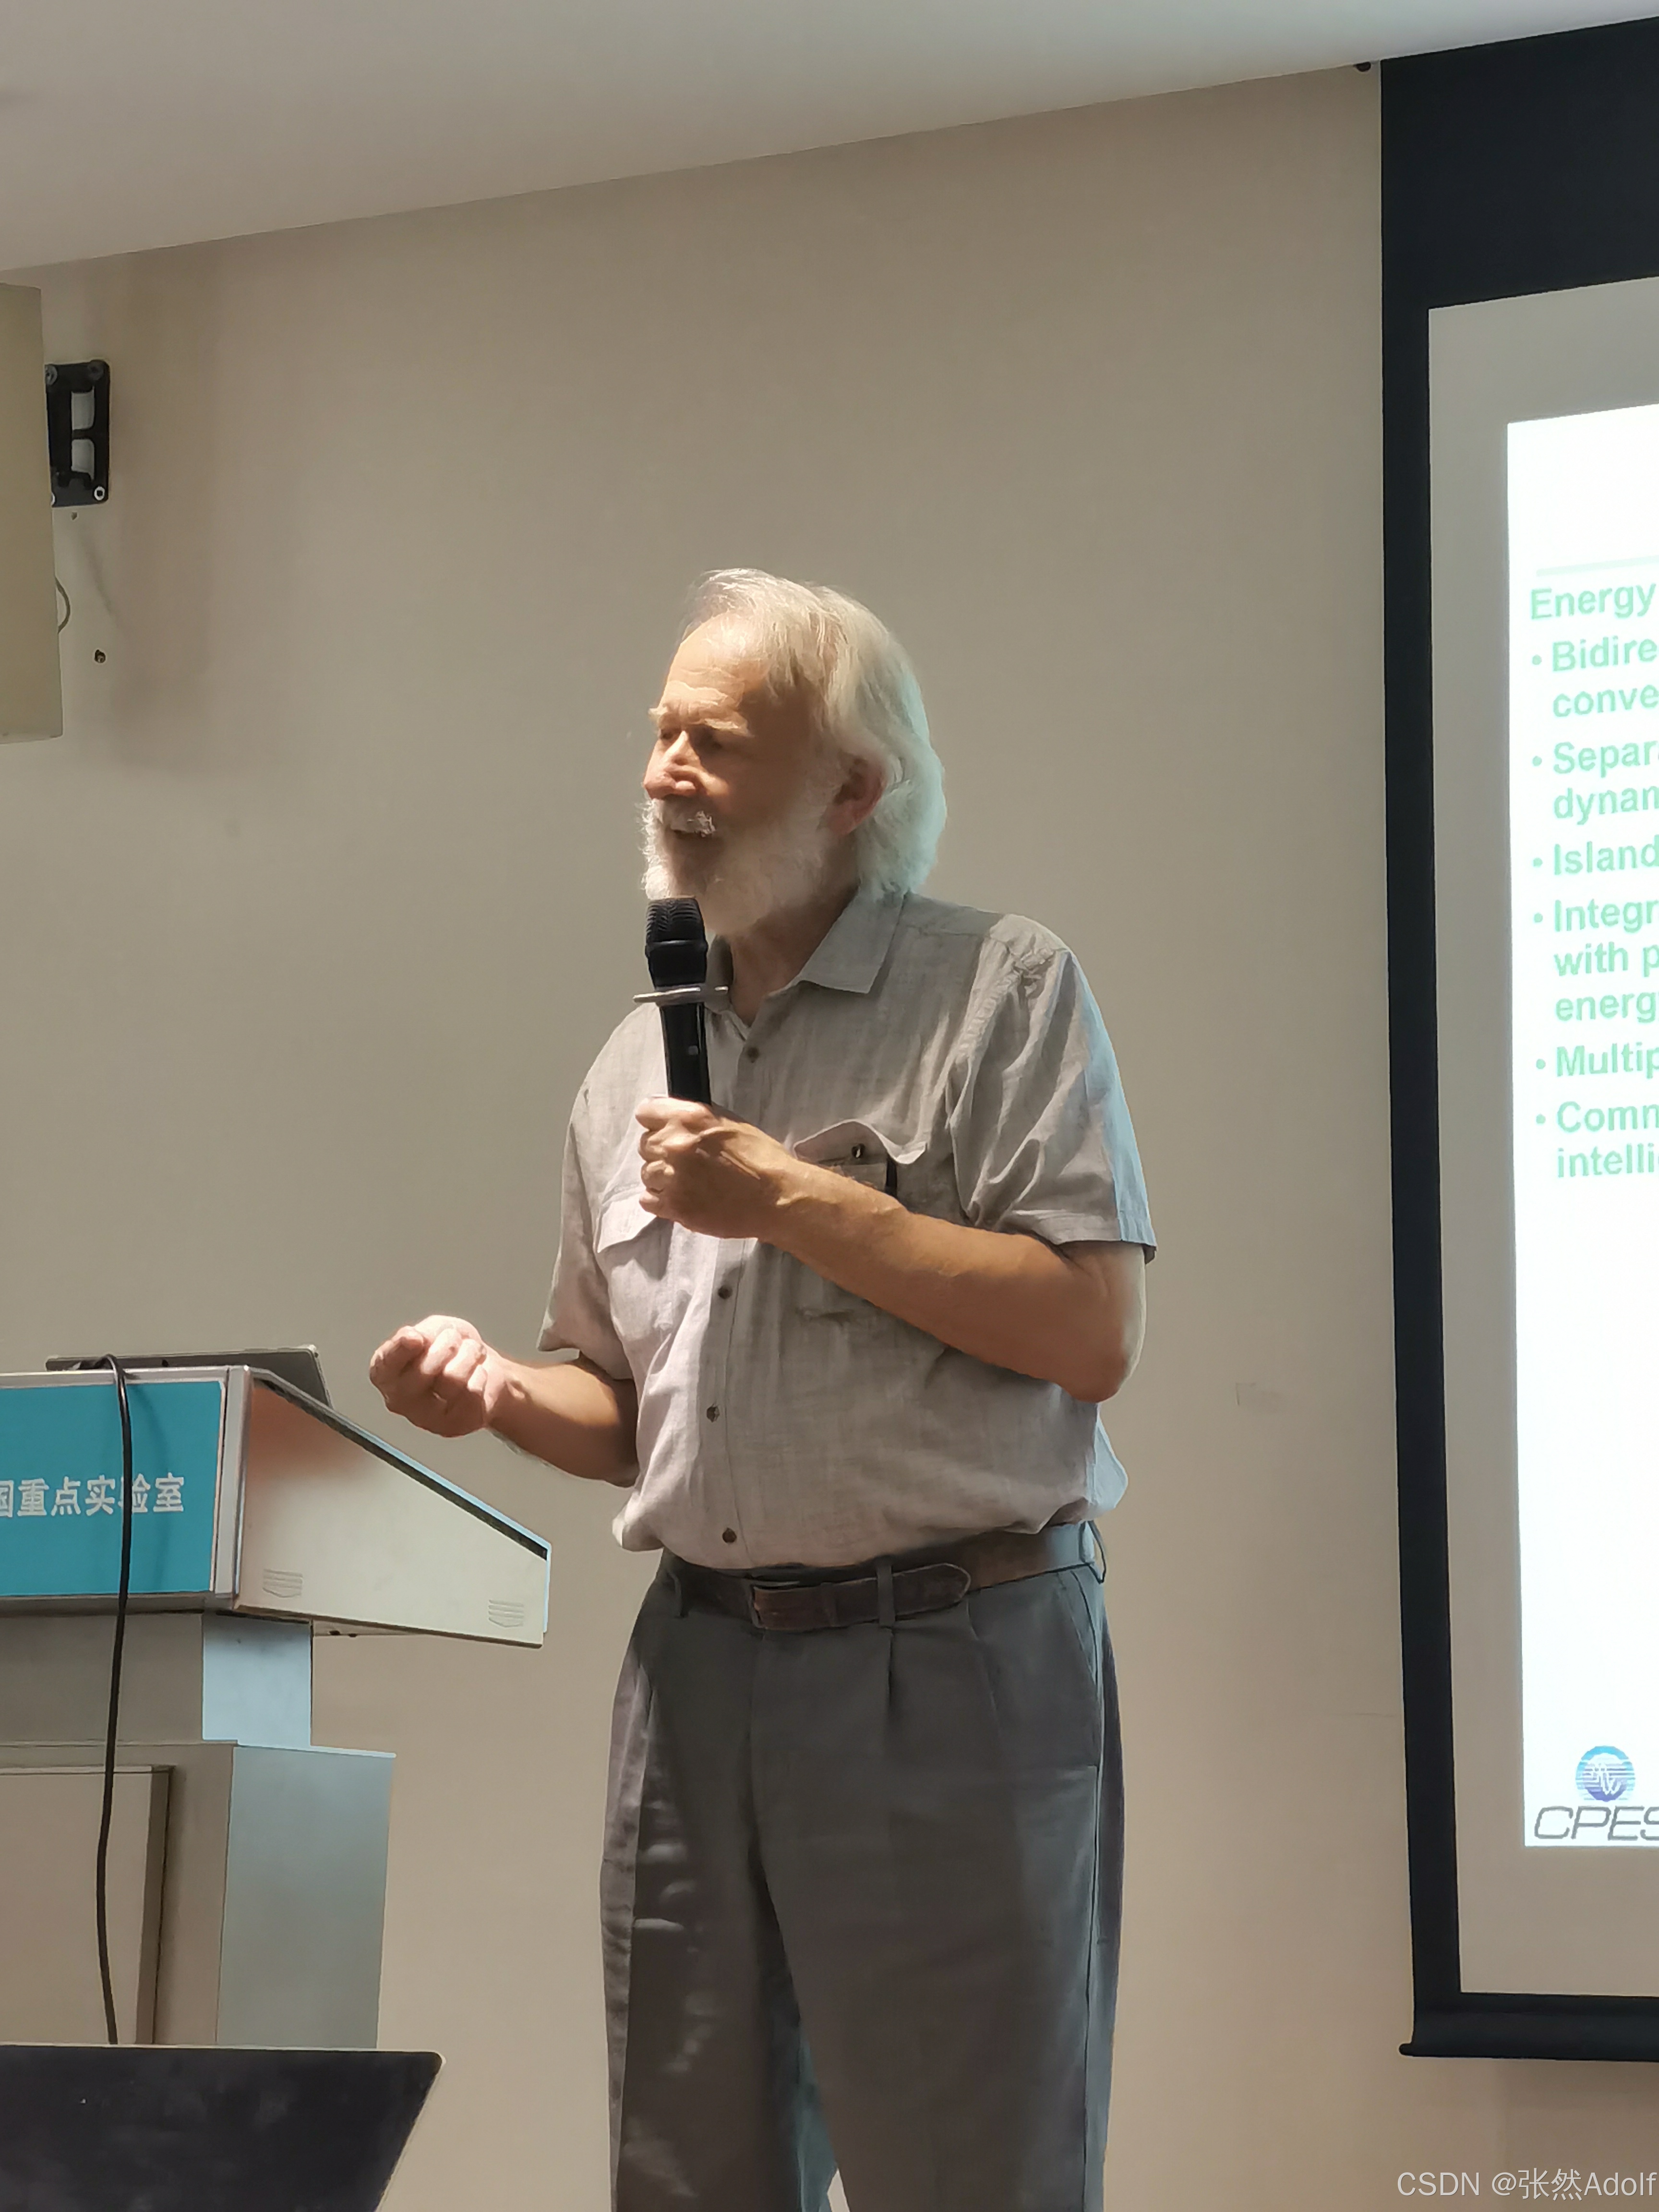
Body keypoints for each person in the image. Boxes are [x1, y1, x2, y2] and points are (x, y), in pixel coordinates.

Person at [370, 569, 1153, 2212]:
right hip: (702, 1669)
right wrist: (499, 1393)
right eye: (661, 733)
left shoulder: (1001, 991)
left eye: (715, 741)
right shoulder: (632, 1058)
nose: (667, 770)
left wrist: (788, 1196)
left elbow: (1091, 1331)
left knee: (970, 2175)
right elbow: (626, 1405)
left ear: (854, 789)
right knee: (688, 2171)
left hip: (949, 1654)